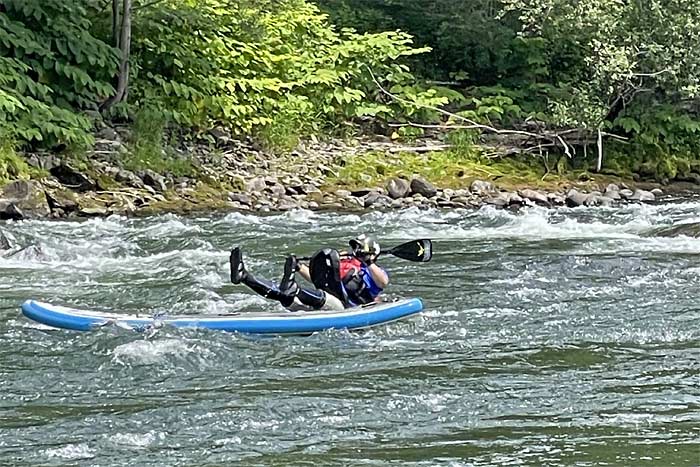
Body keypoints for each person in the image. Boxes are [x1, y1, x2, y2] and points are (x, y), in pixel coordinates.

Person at [230, 234, 389, 311]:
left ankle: (296, 290)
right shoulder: (347, 263)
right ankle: (244, 276)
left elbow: (383, 282)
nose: (355, 251)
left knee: (305, 294)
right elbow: (318, 279)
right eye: (355, 248)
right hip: (323, 303)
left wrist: (367, 261)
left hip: (348, 309)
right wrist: (299, 267)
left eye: (359, 248)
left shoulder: (374, 271)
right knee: (284, 295)